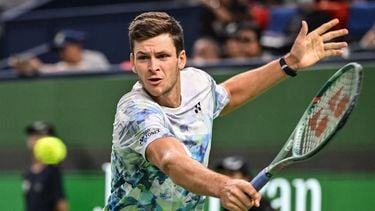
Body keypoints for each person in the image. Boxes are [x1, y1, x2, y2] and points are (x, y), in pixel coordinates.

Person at [105, 11, 347, 211]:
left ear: (181, 59)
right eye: (144, 58)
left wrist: (289, 63)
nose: (153, 67)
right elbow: (172, 161)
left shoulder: (197, 84)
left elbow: (229, 94)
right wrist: (224, 186)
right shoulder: (135, 110)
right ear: (133, 63)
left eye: (162, 56)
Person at [12, 29, 110, 76]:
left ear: (77, 46)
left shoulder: (95, 58)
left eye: (64, 49)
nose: (61, 53)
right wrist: (28, 66)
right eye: (59, 50)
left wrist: (41, 68)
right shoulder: (61, 66)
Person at [22, 121, 68, 211]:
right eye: (32, 135)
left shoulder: (52, 171)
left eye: (39, 136)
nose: (34, 139)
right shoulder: (29, 173)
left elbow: (61, 204)